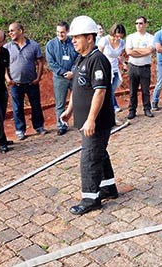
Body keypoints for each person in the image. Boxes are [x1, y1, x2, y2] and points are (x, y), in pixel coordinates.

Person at [60, 15, 118, 215]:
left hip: (97, 121)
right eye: (72, 37)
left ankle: (90, 199)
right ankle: (109, 187)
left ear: (90, 38)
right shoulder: (81, 59)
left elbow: (100, 91)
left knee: (89, 157)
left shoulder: (98, 60)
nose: (73, 40)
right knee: (99, 152)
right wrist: (69, 110)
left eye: (77, 37)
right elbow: (79, 88)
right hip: (84, 120)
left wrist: (91, 119)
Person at [5, 22, 48, 140]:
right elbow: (4, 65)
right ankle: (20, 130)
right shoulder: (7, 47)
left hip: (31, 82)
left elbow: (40, 62)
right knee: (17, 107)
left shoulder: (34, 45)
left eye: (12, 30)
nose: (10, 33)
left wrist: (38, 77)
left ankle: (39, 126)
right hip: (15, 84)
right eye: (9, 31)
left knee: (36, 105)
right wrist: (8, 79)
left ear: (20, 31)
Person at [45, 21, 79, 136]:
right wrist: (64, 73)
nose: (60, 34)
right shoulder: (51, 45)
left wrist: (73, 71)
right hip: (60, 78)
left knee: (78, 99)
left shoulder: (74, 42)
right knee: (60, 103)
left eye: (63, 32)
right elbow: (51, 62)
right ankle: (61, 125)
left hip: (74, 76)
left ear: (68, 32)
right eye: (58, 32)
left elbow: (79, 57)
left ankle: (80, 121)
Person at [125, 16, 155, 119]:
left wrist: (136, 50)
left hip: (145, 67)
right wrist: (142, 51)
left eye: (141, 23)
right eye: (136, 23)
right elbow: (129, 52)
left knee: (145, 90)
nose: (138, 25)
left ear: (145, 24)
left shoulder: (150, 37)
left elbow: (149, 51)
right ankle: (132, 110)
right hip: (133, 66)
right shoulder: (130, 37)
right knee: (132, 90)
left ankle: (147, 108)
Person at [98, 24, 126, 113]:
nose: (118, 38)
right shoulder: (104, 40)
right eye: (117, 36)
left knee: (113, 87)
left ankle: (110, 105)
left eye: (120, 36)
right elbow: (98, 55)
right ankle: (112, 106)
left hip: (115, 68)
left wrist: (124, 63)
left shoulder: (122, 42)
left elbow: (120, 56)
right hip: (105, 68)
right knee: (108, 88)